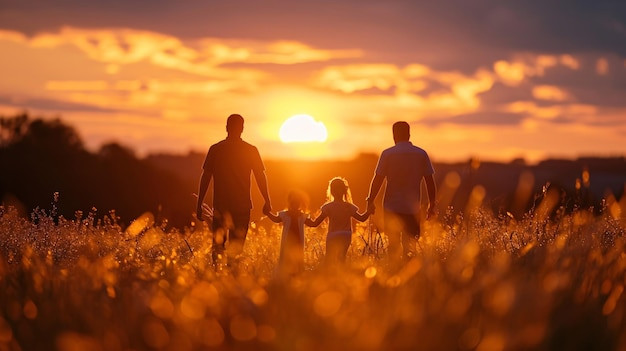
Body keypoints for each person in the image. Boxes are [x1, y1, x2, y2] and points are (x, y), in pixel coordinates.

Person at [196, 114, 272, 266]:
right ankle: (232, 279)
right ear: (242, 128)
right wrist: (267, 201)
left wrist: (199, 203)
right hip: (242, 206)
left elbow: (206, 177)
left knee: (218, 246)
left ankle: (217, 279)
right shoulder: (251, 150)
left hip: (221, 206)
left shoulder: (216, 149)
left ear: (226, 127)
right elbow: (260, 176)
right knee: (236, 249)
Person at [366, 121, 436, 266]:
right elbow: (429, 181)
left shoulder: (387, 154)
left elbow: (377, 179)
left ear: (394, 135)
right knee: (411, 246)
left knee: (393, 245)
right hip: (412, 208)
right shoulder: (421, 153)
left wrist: (370, 200)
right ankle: (409, 276)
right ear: (409, 134)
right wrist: (432, 204)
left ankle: (394, 273)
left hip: (391, 207)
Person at [308, 177, 372, 266]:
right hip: (346, 235)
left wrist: (305, 220)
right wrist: (369, 211)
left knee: (329, 259)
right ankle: (341, 276)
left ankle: (330, 277)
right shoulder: (349, 207)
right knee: (341, 259)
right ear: (344, 191)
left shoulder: (328, 207)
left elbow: (315, 223)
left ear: (331, 191)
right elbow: (362, 218)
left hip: (333, 235)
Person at [263, 190, 309, 276]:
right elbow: (276, 219)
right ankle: (288, 278)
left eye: (297, 203)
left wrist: (324, 215)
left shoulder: (302, 216)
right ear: (290, 203)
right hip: (287, 243)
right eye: (293, 203)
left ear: (299, 204)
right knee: (287, 261)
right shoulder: (284, 215)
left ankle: (296, 278)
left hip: (298, 244)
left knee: (297, 262)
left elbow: (313, 223)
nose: (295, 205)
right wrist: (268, 214)